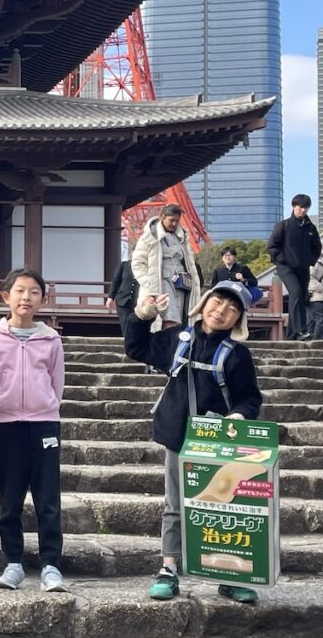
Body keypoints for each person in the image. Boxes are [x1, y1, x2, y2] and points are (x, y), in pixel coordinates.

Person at [125, 280, 263, 603]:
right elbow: (137, 349)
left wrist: (240, 416)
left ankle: (229, 574)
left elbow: (250, 399)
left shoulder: (238, 355)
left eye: (232, 309)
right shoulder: (178, 339)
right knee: (175, 504)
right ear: (204, 304)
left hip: (219, 440)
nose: (221, 312)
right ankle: (169, 568)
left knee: (224, 507)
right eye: (217, 303)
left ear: (238, 319)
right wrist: (141, 318)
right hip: (179, 435)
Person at [0, 269, 67, 593]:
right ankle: (13, 562)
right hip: (6, 424)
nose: (26, 297)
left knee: (48, 497)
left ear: (42, 299)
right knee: (10, 497)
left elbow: (56, 382)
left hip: (44, 422)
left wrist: (46, 408)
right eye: (19, 291)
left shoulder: (51, 339)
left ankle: (50, 564)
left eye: (33, 292)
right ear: (6, 297)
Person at [131, 204, 201, 333]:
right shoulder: (149, 237)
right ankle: (168, 346)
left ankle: (173, 347)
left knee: (179, 317)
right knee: (170, 316)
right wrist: (149, 283)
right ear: (162, 217)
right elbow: (137, 263)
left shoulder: (182, 238)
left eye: (177, 221)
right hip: (161, 281)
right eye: (171, 220)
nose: (174, 224)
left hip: (180, 282)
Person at [267, 194, 322, 340]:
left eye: (305, 208)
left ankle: (292, 334)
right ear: (294, 207)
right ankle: (301, 330)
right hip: (285, 267)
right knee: (296, 292)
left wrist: (310, 261)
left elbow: (317, 247)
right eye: (300, 207)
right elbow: (272, 246)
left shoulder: (310, 228)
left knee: (301, 298)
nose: (302, 210)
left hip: (303, 268)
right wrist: (282, 259)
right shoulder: (283, 225)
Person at [105, 259, 138, 334]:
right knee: (125, 324)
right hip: (123, 300)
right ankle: (127, 344)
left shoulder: (145, 266)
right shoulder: (123, 265)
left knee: (137, 326)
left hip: (138, 301)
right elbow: (116, 281)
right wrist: (111, 298)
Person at [307, 253, 323, 340]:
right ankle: (315, 342)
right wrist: (321, 288)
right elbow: (310, 279)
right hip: (315, 297)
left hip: (315, 297)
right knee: (320, 320)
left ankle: (311, 341)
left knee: (311, 321)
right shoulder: (316, 264)